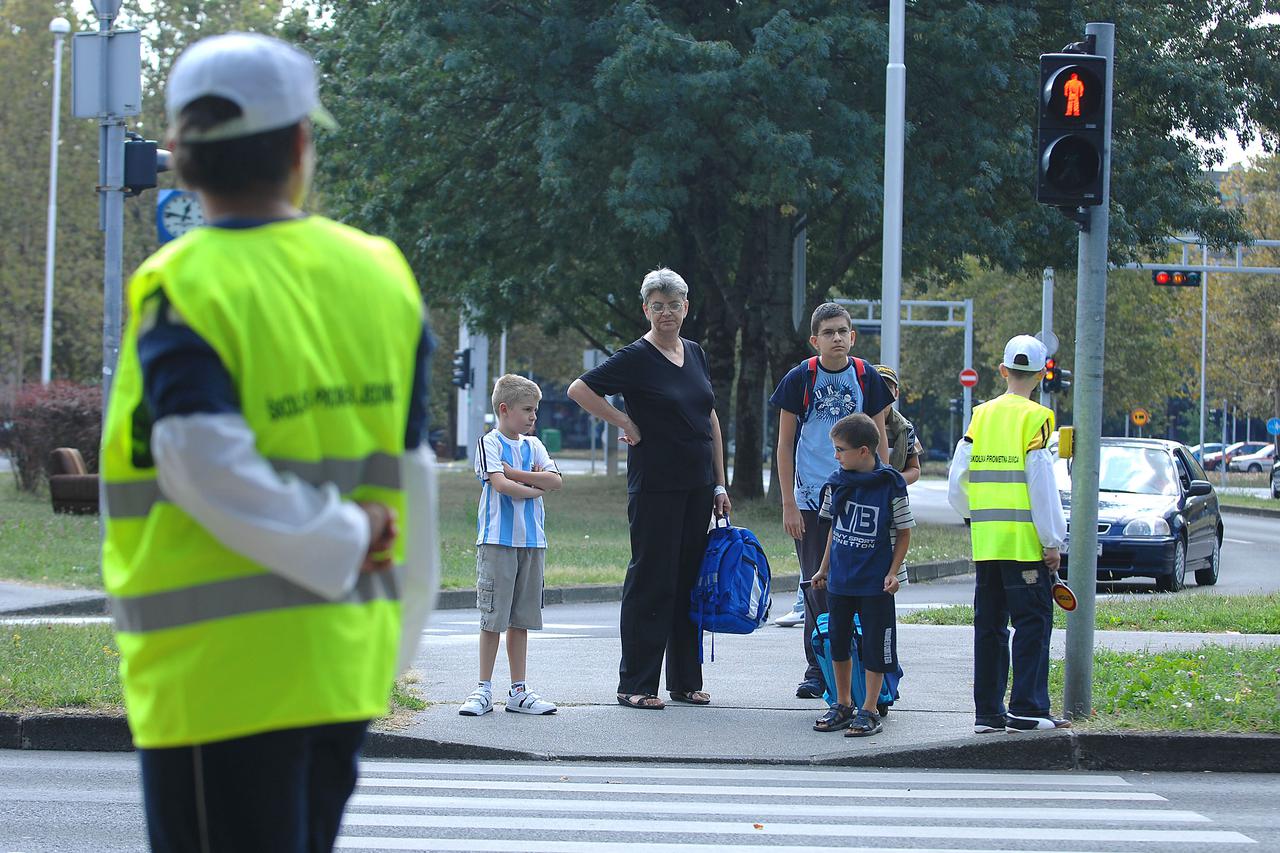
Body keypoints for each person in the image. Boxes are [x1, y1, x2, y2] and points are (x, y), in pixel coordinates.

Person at [99, 32, 436, 853]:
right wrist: (400, 644)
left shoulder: (186, 282)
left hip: (219, 679)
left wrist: (340, 537)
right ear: (298, 145)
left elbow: (198, 457)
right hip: (342, 665)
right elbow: (413, 469)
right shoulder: (380, 271)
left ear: (177, 156)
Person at [568, 268, 731, 710]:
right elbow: (580, 389)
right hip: (656, 485)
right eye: (657, 306)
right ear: (646, 309)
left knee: (687, 582)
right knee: (652, 581)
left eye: (673, 305)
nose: (666, 313)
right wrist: (624, 421)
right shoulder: (636, 357)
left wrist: (719, 482)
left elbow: (709, 417)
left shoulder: (695, 353)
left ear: (686, 308)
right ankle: (636, 685)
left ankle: (684, 681)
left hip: (698, 485)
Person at [770, 303, 894, 699]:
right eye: (828, 332)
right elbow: (785, 445)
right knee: (817, 584)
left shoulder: (866, 376)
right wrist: (789, 502)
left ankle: (860, 668)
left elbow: (880, 437)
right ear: (815, 340)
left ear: (852, 336)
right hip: (810, 499)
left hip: (859, 501)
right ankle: (817, 666)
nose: (837, 337)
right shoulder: (799, 379)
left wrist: (886, 487)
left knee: (862, 586)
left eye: (843, 331)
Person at [947, 335, 1070, 734]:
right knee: (1032, 624)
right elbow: (1041, 485)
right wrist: (1053, 541)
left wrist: (977, 516)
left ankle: (988, 713)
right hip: (1025, 547)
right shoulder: (1037, 418)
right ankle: (1028, 709)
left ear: (1002, 371)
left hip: (987, 544)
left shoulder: (979, 416)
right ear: (1040, 375)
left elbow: (957, 483)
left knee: (990, 627)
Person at [459, 375, 563, 717]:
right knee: (493, 618)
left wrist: (522, 477)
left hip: (532, 543)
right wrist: (533, 485)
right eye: (527, 410)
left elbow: (555, 480)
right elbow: (500, 485)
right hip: (496, 542)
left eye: (536, 410)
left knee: (521, 620)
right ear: (505, 410)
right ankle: (483, 689)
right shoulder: (488, 443)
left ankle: (519, 691)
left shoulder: (534, 446)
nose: (534, 417)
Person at [810, 413, 913, 737]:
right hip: (841, 581)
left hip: (874, 584)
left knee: (875, 648)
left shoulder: (890, 484)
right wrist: (824, 568)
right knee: (837, 643)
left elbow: (904, 531)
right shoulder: (836, 483)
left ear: (864, 451)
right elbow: (833, 530)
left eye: (841, 450)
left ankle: (869, 708)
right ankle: (842, 703)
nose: (836, 456)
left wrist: (893, 573)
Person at [872, 364, 923, 486]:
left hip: (892, 499)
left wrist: (893, 480)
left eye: (888, 388)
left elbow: (914, 469)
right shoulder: (854, 425)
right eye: (877, 387)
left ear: (896, 394)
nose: (882, 393)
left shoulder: (905, 429)